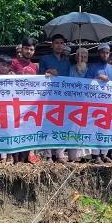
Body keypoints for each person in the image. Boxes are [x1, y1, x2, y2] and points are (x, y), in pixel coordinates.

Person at [39, 34, 71, 163]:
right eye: (56, 43)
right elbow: (38, 77)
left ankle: (60, 155)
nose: (59, 45)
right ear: (52, 45)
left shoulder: (67, 62)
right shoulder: (45, 59)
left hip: (63, 98)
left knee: (62, 125)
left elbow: (68, 80)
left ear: (64, 45)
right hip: (48, 97)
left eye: (61, 43)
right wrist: (47, 73)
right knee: (48, 125)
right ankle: (47, 155)